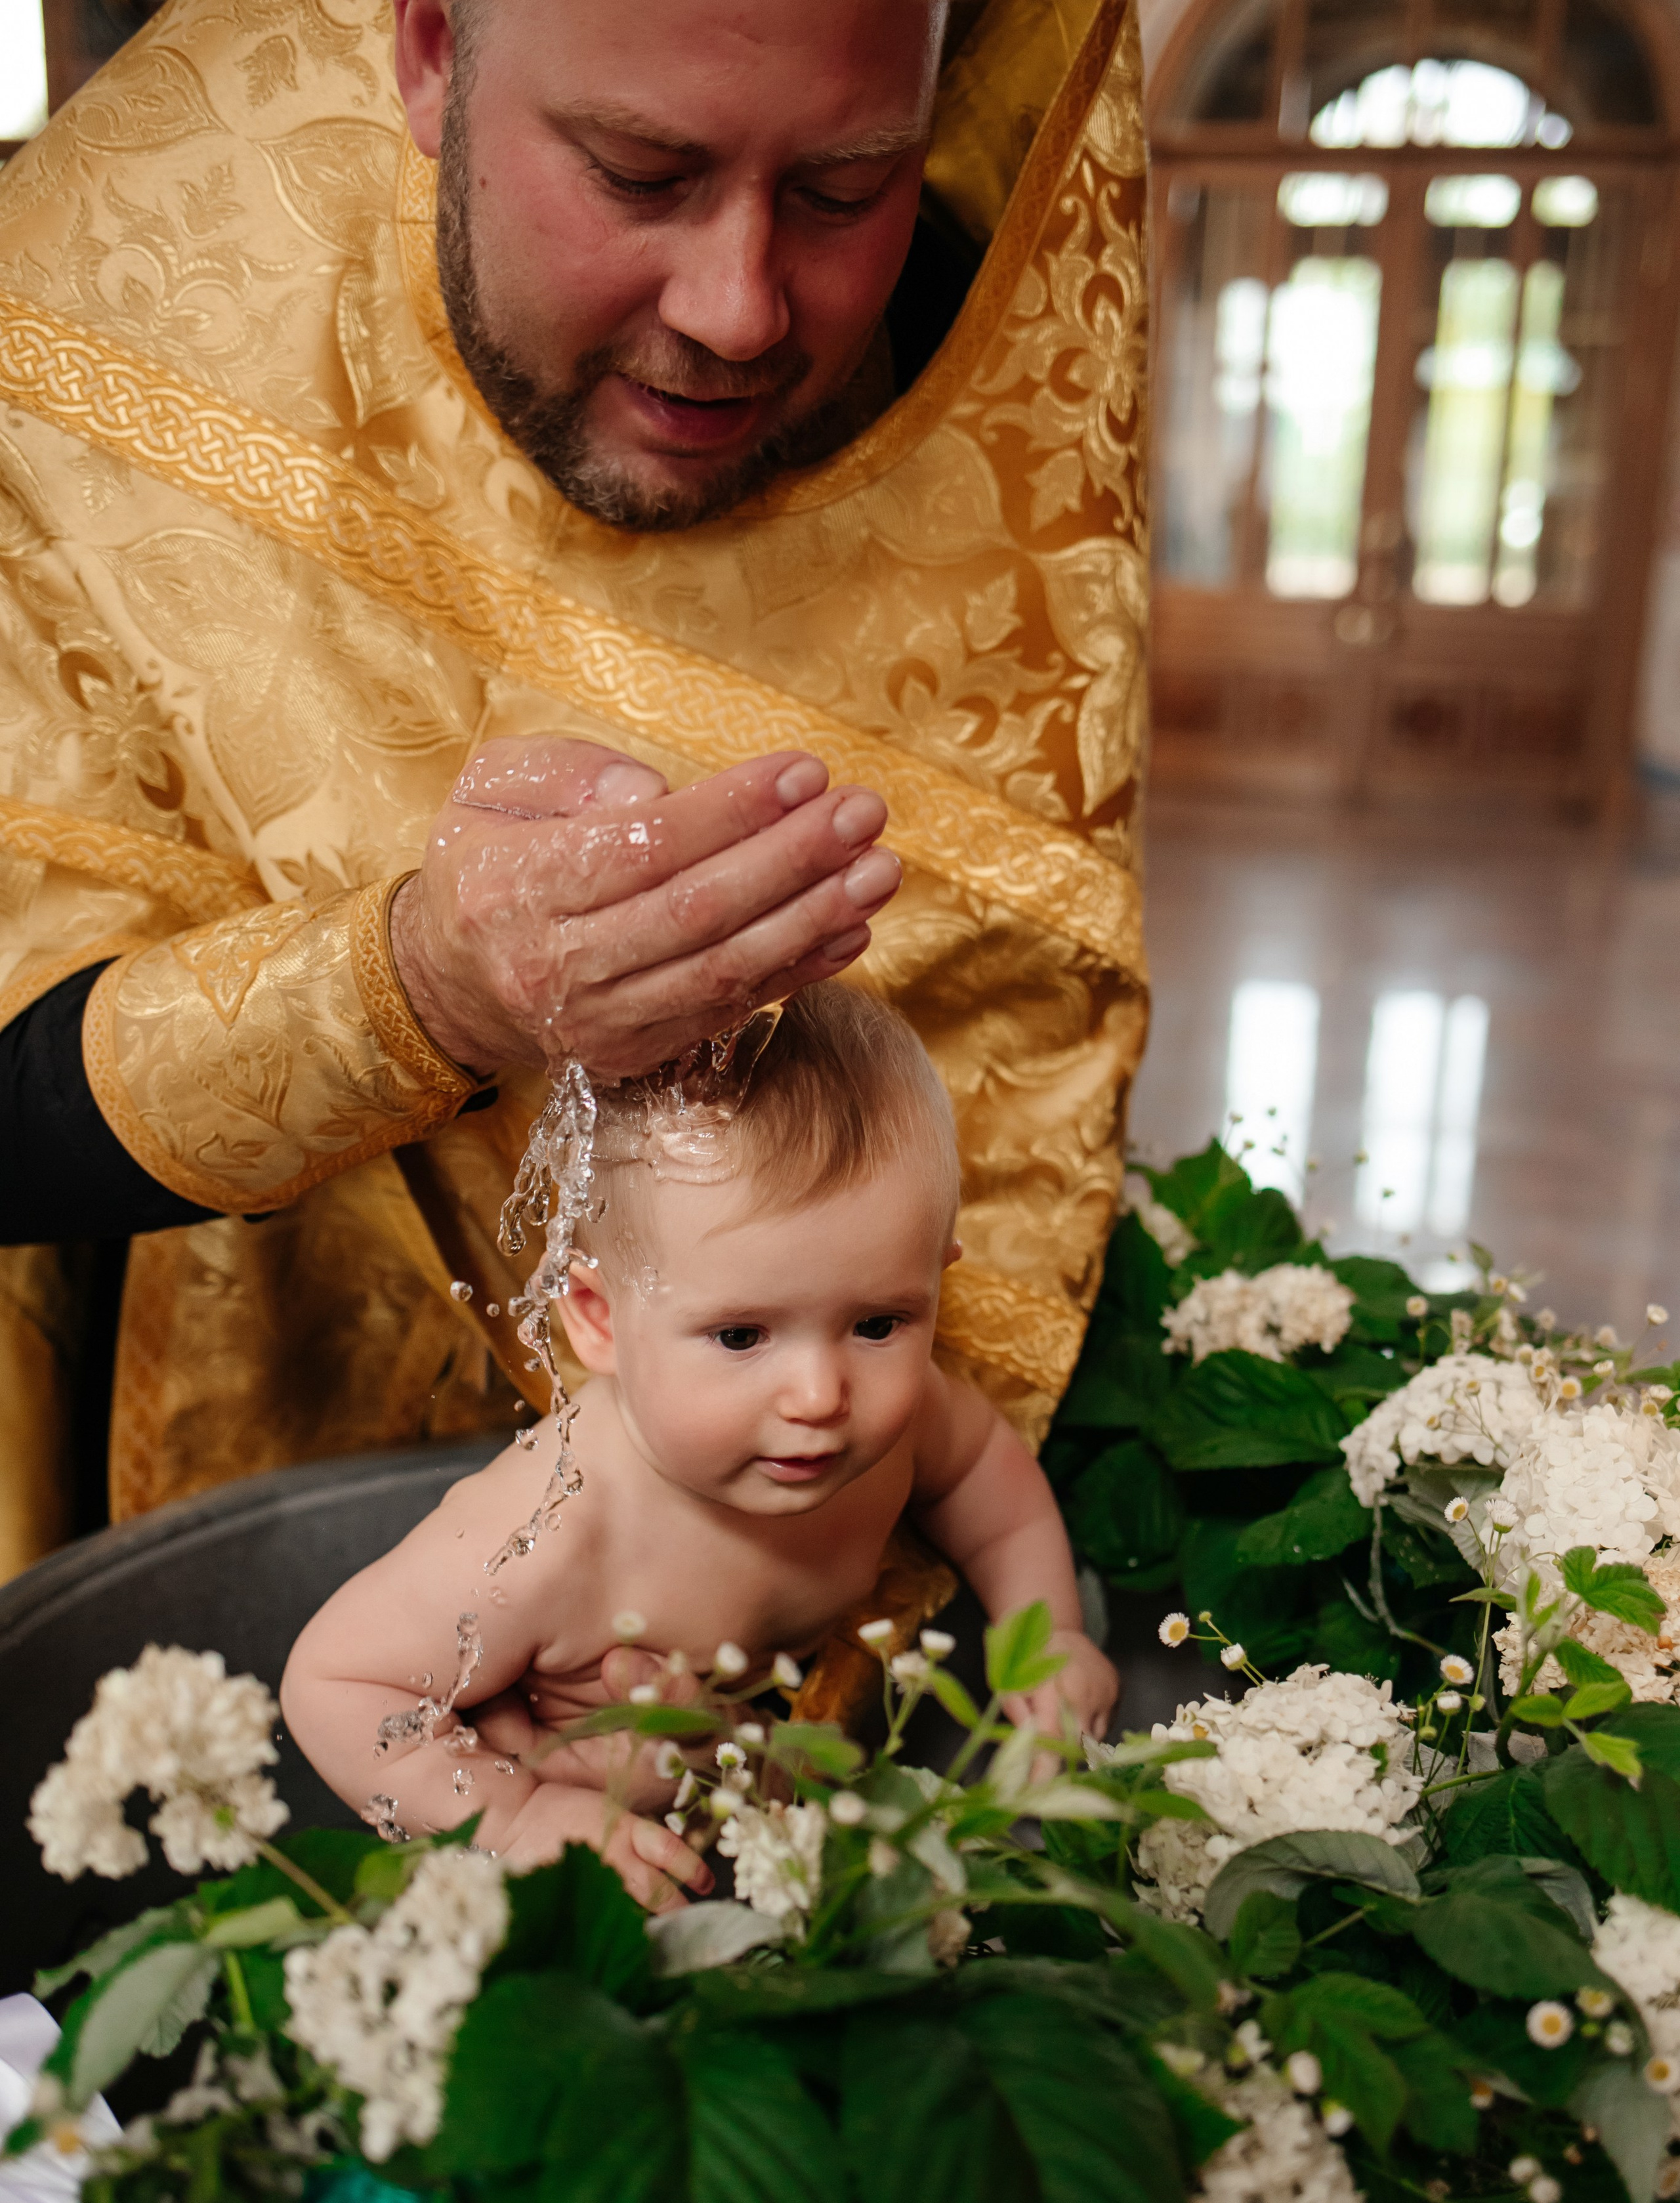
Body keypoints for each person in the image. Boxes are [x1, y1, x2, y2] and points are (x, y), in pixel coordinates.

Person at [0, 0, 1148, 1725]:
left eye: (845, 190)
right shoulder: (98, 305)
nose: (738, 311)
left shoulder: (994, 347)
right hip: (209, 1506)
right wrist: (415, 989)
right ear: (429, 53)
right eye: (638, 172)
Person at [281, 985, 1118, 1905]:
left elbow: (987, 1488)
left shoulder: (908, 1414)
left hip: (751, 1756)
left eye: (878, 1323)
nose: (821, 1396)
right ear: (599, 1320)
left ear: (934, 1283)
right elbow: (337, 1681)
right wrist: (514, 1817)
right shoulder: (553, 1530)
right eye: (741, 1336)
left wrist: (1050, 1635)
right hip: (570, 1815)